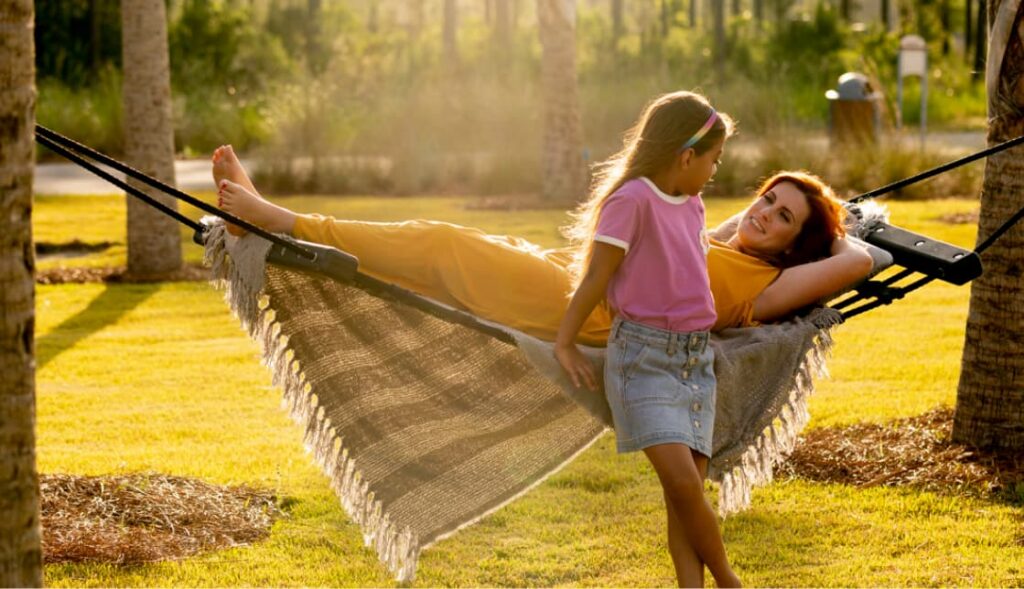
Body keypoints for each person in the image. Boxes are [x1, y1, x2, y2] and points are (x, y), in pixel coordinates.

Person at [211, 93, 872, 588]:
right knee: (452, 247)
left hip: (577, 312)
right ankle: (270, 224)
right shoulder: (717, 233)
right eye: (764, 198)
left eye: (782, 215)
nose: (762, 214)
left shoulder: (764, 286)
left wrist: (840, 224)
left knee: (440, 245)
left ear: (798, 244)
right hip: (570, 280)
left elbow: (858, 261)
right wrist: (794, 207)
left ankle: (276, 220)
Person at [553, 91, 740, 587]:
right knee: (683, 484)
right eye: (713, 160)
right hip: (644, 360)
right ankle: (729, 580)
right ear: (685, 157)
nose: (714, 172)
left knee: (685, 496)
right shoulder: (631, 201)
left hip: (696, 362)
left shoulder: (693, 204)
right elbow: (595, 278)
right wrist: (564, 342)